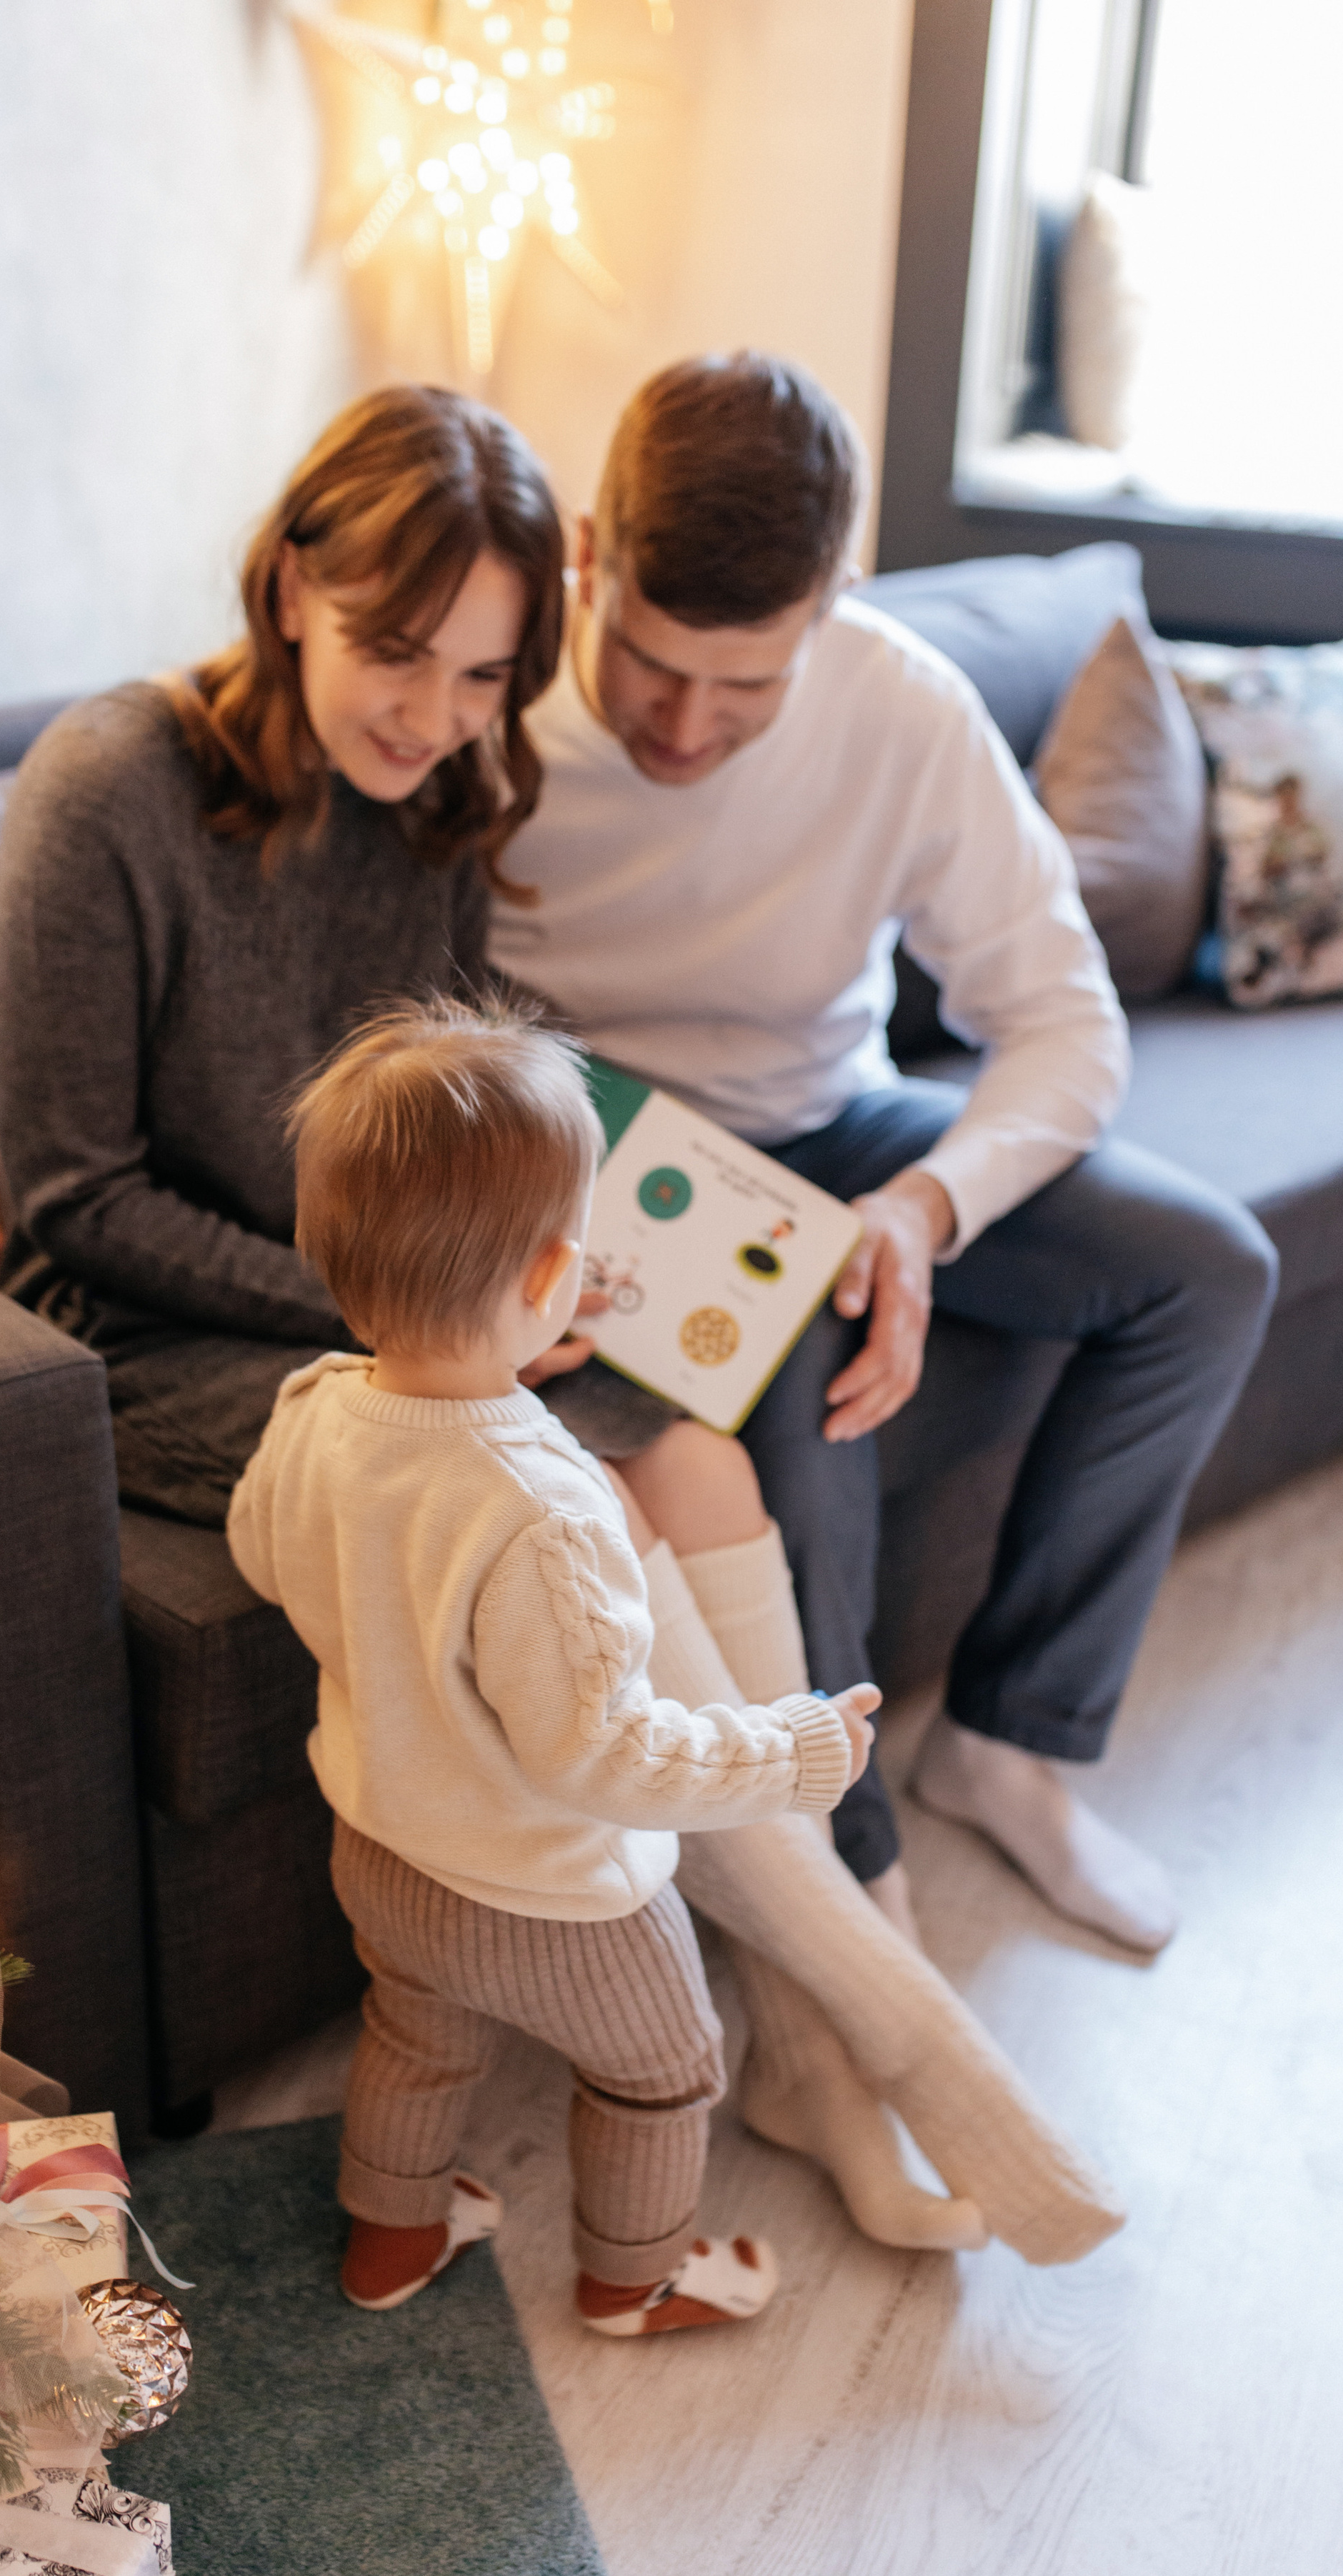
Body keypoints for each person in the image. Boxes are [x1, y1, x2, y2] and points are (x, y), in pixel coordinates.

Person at [0, 383, 1123, 2270]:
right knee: (541, 1478)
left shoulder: (436, 812)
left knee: (684, 1427)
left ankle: (824, 2027)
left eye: (486, 676)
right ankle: (882, 2017)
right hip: (164, 1335)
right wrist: (427, 1315)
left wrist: (559, 1272)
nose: (432, 717)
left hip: (400, 1314)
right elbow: (67, 1205)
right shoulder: (109, 786)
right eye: (394, 651)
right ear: (292, 589)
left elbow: (466, 1124)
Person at [494, 351, 1280, 1960]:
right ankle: (851, 1889)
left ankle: (1011, 1742)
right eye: (649, 665)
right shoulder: (480, 702)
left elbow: (1065, 1024)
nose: (686, 727)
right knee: (804, 1375)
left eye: (747, 688)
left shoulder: (897, 704)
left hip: (837, 1119)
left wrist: (919, 1211)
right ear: (593, 554)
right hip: (595, 1158)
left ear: (831, 606)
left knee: (1205, 1272)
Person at [226, 999, 879, 2332]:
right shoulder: (549, 1504)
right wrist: (794, 1749)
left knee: (416, 2034)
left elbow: (260, 1555)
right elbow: (608, 1754)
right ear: (545, 1284)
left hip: (383, 1845)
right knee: (663, 2072)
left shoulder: (314, 1409)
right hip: (553, 1895)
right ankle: (634, 2276)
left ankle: (392, 2239)